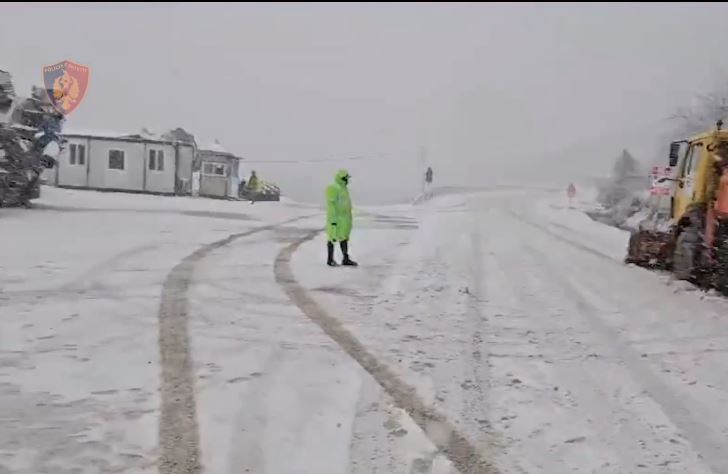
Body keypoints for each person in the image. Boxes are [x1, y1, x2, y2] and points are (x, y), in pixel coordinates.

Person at [326, 169, 357, 266]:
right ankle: (330, 259)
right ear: (342, 178)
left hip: (345, 219)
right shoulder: (333, 188)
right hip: (336, 219)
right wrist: (333, 220)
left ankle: (345, 258)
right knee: (332, 237)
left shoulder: (344, 189)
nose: (347, 180)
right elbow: (331, 205)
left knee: (344, 238)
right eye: (346, 178)